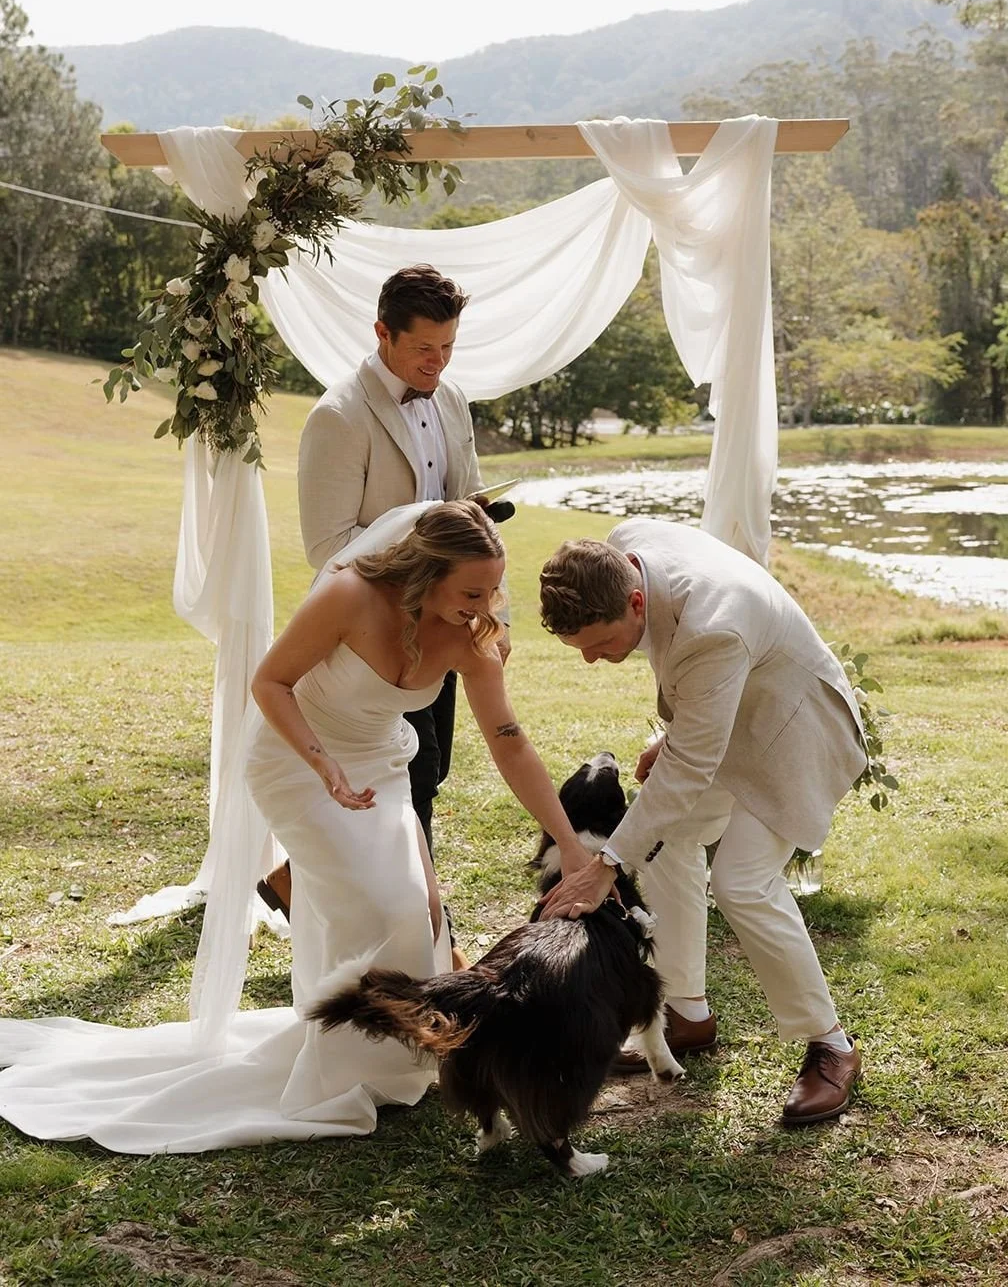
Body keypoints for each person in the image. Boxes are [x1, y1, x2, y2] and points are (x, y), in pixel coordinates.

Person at [0, 501, 588, 1153]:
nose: (488, 606)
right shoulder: (348, 596)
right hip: (294, 760)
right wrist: (323, 764)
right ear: (426, 573)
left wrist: (566, 839)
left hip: (378, 767)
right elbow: (271, 682)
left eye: (493, 588)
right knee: (379, 901)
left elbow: (508, 741)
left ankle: (392, 1063)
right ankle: (342, 1069)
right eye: (473, 590)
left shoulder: (470, 635)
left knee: (420, 913)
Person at [537, 517, 869, 1126]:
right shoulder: (624, 545)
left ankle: (832, 1046)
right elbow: (695, 732)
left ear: (635, 600)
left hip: (795, 729)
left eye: (597, 642)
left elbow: (692, 763)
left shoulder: (712, 627)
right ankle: (686, 1010)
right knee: (665, 841)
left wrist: (607, 866)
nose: (589, 659)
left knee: (743, 880)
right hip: (732, 714)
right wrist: (676, 736)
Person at [259, 264, 507, 950]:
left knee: (433, 768)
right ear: (382, 333)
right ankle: (429, 938)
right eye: (424, 348)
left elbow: (470, 511)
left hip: (446, 622)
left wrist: (489, 610)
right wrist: (418, 552)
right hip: (371, 639)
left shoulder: (451, 400)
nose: (438, 363)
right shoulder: (338, 416)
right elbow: (328, 545)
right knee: (415, 773)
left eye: (449, 348)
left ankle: (294, 881)